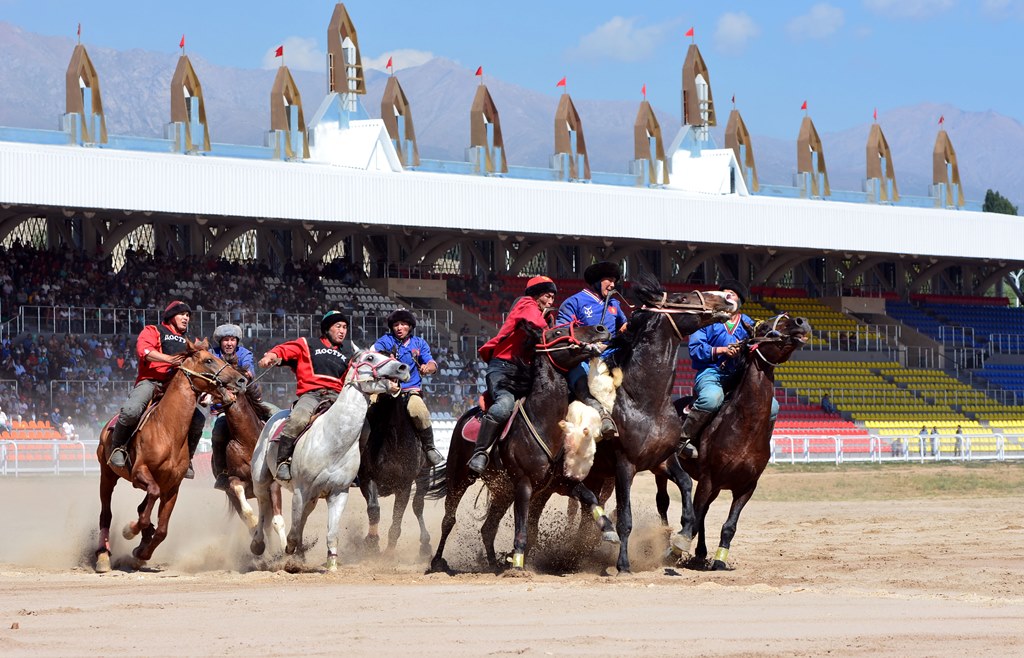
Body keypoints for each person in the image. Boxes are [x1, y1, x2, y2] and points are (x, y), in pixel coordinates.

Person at [468, 276, 557, 474]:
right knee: (504, 407)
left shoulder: (547, 317)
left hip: (526, 374)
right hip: (502, 369)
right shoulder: (526, 304)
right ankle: (480, 452)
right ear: (536, 295)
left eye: (553, 297)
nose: (551, 301)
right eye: (547, 296)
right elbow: (540, 327)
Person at [107, 300, 206, 479]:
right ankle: (118, 448)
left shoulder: (191, 340)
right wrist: (168, 359)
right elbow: (143, 351)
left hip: (176, 388)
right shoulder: (153, 330)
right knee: (131, 410)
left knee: (198, 419)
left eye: (188, 315)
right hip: (151, 382)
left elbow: (204, 361)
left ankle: (187, 459)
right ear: (171, 316)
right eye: (182, 314)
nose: (186, 318)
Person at [678, 280, 775, 460]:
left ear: (740, 301)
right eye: (724, 292)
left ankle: (762, 444)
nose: (728, 295)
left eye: (733, 293)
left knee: (773, 406)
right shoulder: (705, 320)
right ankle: (683, 439)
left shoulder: (749, 324)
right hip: (711, 372)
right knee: (711, 399)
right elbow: (695, 349)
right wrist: (722, 350)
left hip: (740, 377)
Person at [257, 310, 353, 482]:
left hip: (337, 397)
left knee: (360, 425)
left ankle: (356, 468)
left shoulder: (349, 352)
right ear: (327, 329)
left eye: (345, 327)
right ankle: (282, 461)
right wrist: (272, 355)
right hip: (312, 395)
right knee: (298, 418)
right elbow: (284, 349)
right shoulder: (307, 344)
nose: (342, 331)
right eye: (338, 326)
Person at [556, 261, 628, 439]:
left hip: (612, 359)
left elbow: (624, 327)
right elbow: (561, 332)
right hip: (582, 359)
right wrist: (587, 347)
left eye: (614, 281)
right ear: (596, 281)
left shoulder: (615, 304)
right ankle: (602, 415)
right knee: (580, 380)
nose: (612, 285)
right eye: (609, 280)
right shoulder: (574, 302)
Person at [208, 323, 279, 491]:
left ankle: (280, 463)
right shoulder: (211, 355)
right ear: (220, 342)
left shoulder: (245, 353)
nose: (229, 343)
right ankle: (222, 473)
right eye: (226, 340)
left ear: (237, 342)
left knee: (277, 414)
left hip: (250, 404)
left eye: (232, 340)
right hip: (224, 408)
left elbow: (248, 372)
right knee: (218, 431)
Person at [373, 309, 444, 466]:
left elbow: (432, 363)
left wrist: (427, 368)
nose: (399, 328)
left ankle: (429, 448)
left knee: (419, 411)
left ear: (410, 326)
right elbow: (373, 355)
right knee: (367, 408)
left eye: (403, 324)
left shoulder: (419, 343)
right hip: (385, 389)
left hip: (410, 391)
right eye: (396, 325)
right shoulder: (385, 340)